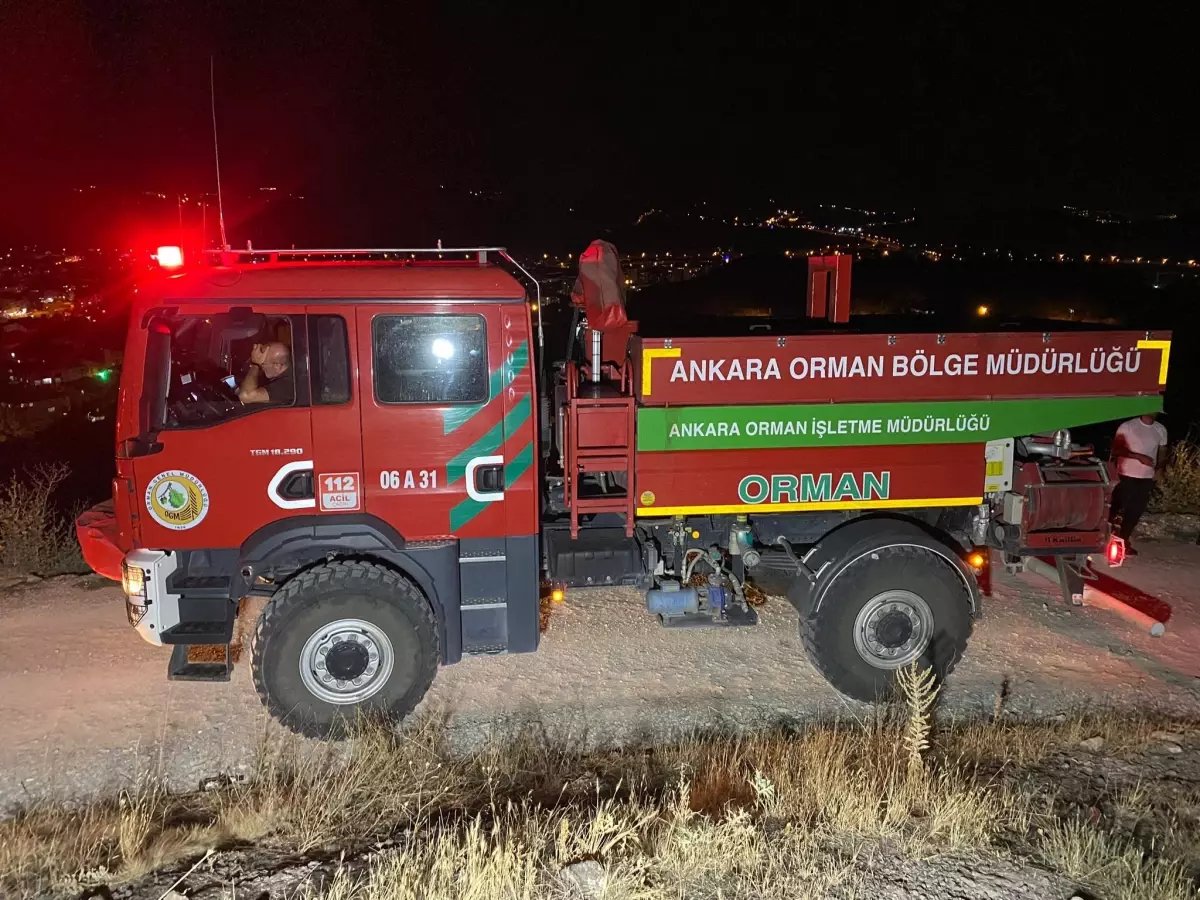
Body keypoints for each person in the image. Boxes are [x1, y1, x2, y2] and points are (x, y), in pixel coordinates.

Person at [1109, 412, 1168, 555]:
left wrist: (1160, 469)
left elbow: (1162, 451)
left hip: (1146, 478)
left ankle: (1123, 541)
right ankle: (1104, 538)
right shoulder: (1128, 426)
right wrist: (1137, 457)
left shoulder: (1161, 429)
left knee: (1135, 512)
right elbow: (1116, 449)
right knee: (1114, 508)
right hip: (1125, 474)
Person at [238, 341, 294, 405]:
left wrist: (255, 364)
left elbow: (246, 396)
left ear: (277, 366)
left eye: (262, 364)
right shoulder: (281, 376)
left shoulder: (288, 385)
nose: (261, 368)